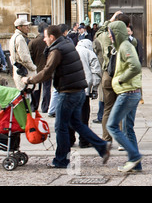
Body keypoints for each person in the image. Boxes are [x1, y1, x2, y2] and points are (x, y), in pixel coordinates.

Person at [22, 25, 111, 168]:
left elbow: (47, 71)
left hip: (68, 93)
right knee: (76, 124)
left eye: (45, 37)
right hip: (78, 91)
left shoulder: (57, 50)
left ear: (52, 37)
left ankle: (61, 159)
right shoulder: (67, 44)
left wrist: (29, 80)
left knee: (60, 126)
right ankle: (102, 146)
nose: (44, 40)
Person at [106, 21, 143, 172]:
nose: (109, 36)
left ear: (117, 34)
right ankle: (136, 164)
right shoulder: (123, 46)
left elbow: (135, 66)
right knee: (128, 128)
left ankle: (134, 156)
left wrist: (121, 79)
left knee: (112, 125)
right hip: (132, 92)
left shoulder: (125, 46)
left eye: (111, 33)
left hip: (127, 92)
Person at [95, 11, 131, 143]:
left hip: (107, 75)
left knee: (107, 108)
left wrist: (110, 20)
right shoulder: (126, 38)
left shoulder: (105, 36)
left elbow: (98, 33)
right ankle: (121, 140)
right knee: (121, 109)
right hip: (121, 75)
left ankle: (106, 138)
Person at [72, 39, 102, 148]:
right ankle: (83, 141)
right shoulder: (89, 53)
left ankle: (70, 139)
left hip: (71, 88)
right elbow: (96, 71)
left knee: (71, 115)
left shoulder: (72, 50)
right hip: (84, 88)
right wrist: (94, 88)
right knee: (83, 116)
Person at [28, 22, 52, 113]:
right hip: (47, 69)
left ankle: (34, 106)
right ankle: (45, 107)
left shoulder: (33, 42)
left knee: (36, 89)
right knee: (46, 89)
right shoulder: (49, 41)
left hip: (36, 69)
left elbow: (30, 56)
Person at [9, 18, 37, 90]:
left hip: (18, 69)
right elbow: (24, 57)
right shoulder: (20, 38)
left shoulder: (14, 37)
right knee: (27, 95)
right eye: (25, 26)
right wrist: (33, 67)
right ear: (19, 27)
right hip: (24, 71)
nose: (28, 27)